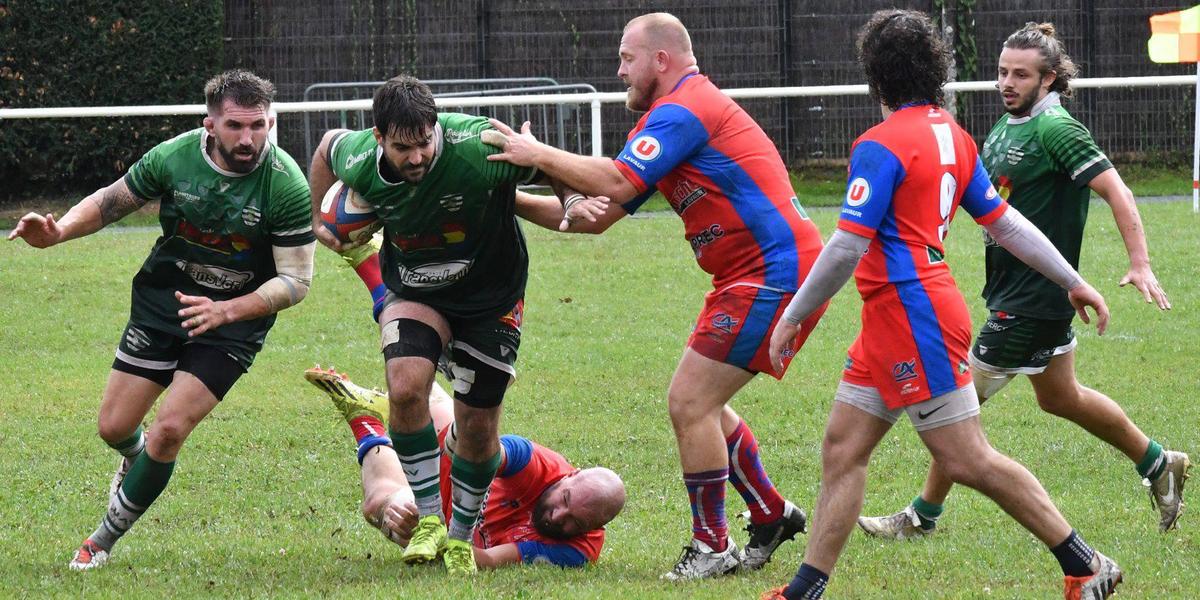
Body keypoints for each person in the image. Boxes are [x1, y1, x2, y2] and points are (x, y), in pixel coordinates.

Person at [761, 11, 1122, 599]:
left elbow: (847, 245)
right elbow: (1004, 223)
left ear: (875, 76)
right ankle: (805, 589)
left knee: (966, 458)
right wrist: (1070, 278)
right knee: (843, 447)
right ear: (934, 70)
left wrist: (794, 314)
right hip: (897, 315)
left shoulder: (879, 145)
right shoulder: (951, 133)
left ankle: (1087, 564)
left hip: (914, 316)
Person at [483, 12, 819, 580]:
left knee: (691, 402)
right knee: (704, 403)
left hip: (772, 271)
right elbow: (595, 218)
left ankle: (711, 546)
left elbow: (613, 181)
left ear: (660, 59)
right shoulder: (666, 123)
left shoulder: (686, 107)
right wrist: (502, 198)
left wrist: (537, 155)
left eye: (625, 58)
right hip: (749, 275)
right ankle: (768, 512)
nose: (619, 72)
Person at [857, 21, 1189, 542]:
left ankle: (922, 516)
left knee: (955, 406)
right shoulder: (1007, 126)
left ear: (1049, 79)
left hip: (1034, 299)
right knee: (1061, 397)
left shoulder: (1057, 129)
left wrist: (1140, 261)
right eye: (1002, 72)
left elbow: (1117, 191)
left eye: (1021, 75)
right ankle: (1157, 462)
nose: (1006, 83)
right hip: (1017, 292)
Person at [7, 70, 316, 570]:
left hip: (234, 321)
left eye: (259, 126)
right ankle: (136, 455)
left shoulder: (285, 185)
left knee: (170, 430)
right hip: (164, 302)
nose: (249, 138)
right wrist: (59, 230)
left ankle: (101, 540)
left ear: (270, 122)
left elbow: (296, 281)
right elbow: (112, 202)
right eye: (236, 126)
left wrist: (226, 311)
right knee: (113, 427)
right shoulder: (174, 158)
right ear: (209, 125)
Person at [306, 75, 574, 576]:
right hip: (416, 289)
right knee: (406, 389)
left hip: (491, 299)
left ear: (435, 129)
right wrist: (321, 221)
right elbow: (324, 148)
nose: (416, 157)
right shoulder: (359, 156)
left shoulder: (477, 147)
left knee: (476, 426)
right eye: (403, 147)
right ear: (378, 135)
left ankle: (459, 537)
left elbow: (544, 161)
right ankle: (430, 519)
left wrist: (574, 200)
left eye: (425, 142)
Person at [304, 367, 626, 568]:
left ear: (596, 528)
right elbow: (487, 452)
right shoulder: (543, 467)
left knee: (383, 507)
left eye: (575, 522)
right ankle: (376, 267)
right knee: (424, 388)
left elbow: (483, 559)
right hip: (457, 463)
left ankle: (362, 418)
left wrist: (430, 525)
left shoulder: (578, 550)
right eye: (565, 501)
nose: (558, 516)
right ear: (570, 475)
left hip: (445, 525)